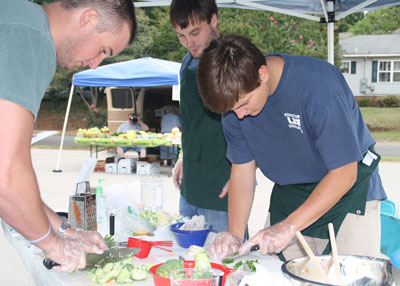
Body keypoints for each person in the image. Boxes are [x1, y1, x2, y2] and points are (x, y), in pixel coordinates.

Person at [196, 34, 387, 261]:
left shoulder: (318, 87)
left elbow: (345, 173)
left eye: (244, 104)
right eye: (232, 110)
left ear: (262, 74)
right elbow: (242, 171)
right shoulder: (235, 106)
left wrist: (288, 226)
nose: (239, 114)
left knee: (347, 276)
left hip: (348, 191)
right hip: (291, 195)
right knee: (276, 275)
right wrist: (235, 234)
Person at [0, 0, 136, 272]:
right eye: (103, 50)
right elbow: (7, 173)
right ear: (88, 19)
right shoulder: (31, 37)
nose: (96, 64)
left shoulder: (19, 19)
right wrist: (53, 245)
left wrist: (65, 230)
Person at [169, 0, 232, 233]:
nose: (189, 43)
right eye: (181, 36)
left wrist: (243, 173)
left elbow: (256, 125)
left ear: (213, 20)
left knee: (225, 262)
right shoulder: (187, 62)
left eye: (195, 33)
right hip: (191, 182)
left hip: (222, 185)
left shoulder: (230, 61)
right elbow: (193, 120)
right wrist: (184, 156)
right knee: (189, 260)